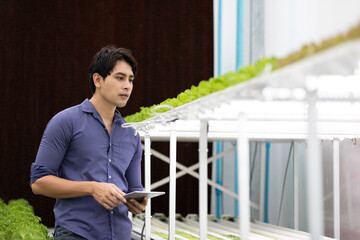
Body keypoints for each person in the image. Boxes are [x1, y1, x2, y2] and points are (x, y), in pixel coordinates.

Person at [30, 46, 148, 240]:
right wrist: (92, 188)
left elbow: (135, 188)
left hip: (120, 234)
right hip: (76, 234)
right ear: (98, 79)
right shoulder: (65, 122)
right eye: (120, 78)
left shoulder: (131, 134)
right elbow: (39, 183)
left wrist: (138, 202)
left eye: (131, 79)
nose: (127, 85)